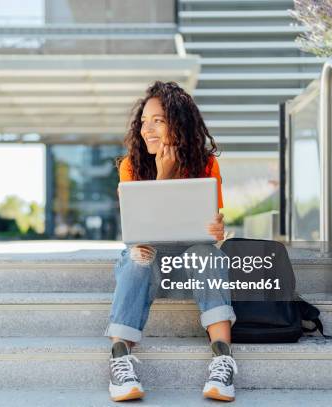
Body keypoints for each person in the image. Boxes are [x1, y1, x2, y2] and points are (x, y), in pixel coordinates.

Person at [105, 81, 238, 402]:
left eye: (158, 121)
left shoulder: (206, 165)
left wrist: (217, 228)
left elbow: (211, 224)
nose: (146, 129)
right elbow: (139, 228)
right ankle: (120, 360)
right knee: (137, 254)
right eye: (143, 122)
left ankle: (223, 361)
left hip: (191, 262)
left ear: (179, 124)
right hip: (149, 262)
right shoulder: (131, 166)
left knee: (206, 252)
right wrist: (162, 175)